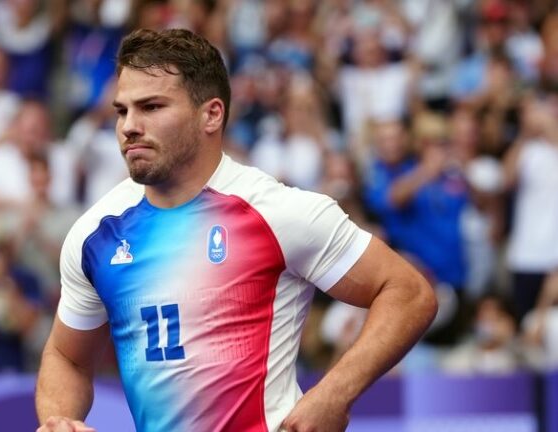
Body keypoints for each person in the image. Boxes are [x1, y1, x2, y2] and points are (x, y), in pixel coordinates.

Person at [35, 28, 437, 432]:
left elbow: (409, 293)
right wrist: (60, 422)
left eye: (151, 107)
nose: (129, 126)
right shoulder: (95, 234)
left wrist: (334, 394)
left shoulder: (277, 211)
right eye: (122, 111)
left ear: (211, 115)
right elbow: (67, 357)